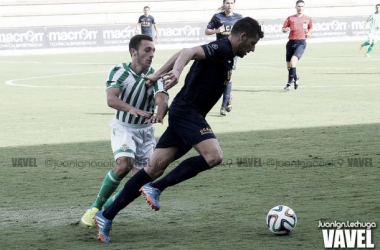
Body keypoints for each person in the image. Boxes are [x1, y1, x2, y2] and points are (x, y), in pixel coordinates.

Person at [93, 17, 264, 243]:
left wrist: (156, 74)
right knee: (213, 156)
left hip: (188, 115)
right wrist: (177, 71)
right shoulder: (222, 46)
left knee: (152, 168)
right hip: (187, 112)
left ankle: (106, 215)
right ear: (242, 37)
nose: (252, 49)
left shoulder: (227, 53)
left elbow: (183, 53)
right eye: (251, 43)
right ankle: (156, 188)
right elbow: (186, 52)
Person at [80, 34, 168, 228]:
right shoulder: (119, 71)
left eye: (153, 51)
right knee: (124, 165)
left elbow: (162, 99)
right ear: (133, 52)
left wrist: (160, 113)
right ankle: (96, 207)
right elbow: (111, 99)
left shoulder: (155, 76)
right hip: (123, 128)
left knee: (141, 181)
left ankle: (105, 211)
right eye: (147, 50)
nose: (151, 54)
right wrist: (131, 109)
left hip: (146, 132)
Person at [205, 0, 242, 116]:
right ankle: (228, 97)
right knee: (220, 79)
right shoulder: (217, 17)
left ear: (234, 4)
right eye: (227, 3)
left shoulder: (239, 18)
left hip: (233, 52)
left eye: (231, 3)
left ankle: (223, 106)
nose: (229, 5)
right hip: (220, 51)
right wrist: (217, 31)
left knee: (229, 77)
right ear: (224, 4)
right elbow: (207, 31)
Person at [282, 0, 312, 91]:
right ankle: (296, 77)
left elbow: (310, 29)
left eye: (302, 6)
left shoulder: (308, 18)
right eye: (299, 6)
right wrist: (285, 30)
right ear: (296, 7)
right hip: (291, 43)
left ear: (304, 7)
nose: (300, 8)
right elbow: (283, 28)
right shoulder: (290, 18)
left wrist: (309, 33)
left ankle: (288, 84)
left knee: (293, 62)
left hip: (301, 43)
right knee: (289, 66)